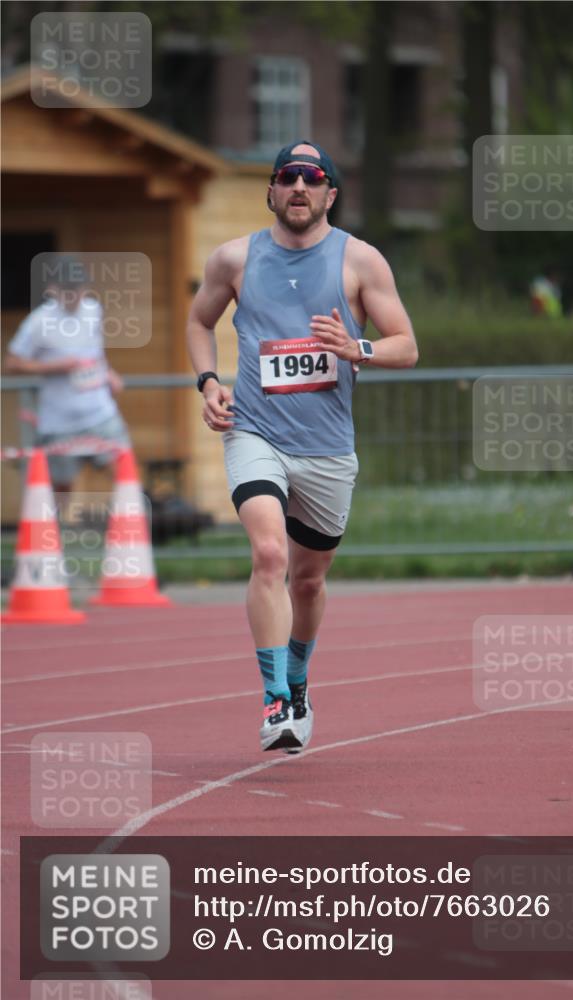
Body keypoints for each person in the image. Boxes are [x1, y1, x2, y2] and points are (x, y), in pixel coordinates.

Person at [186, 140, 418, 753]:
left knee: (308, 581)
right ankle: (275, 702)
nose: (298, 187)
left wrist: (357, 349)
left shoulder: (361, 262)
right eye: (287, 177)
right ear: (271, 190)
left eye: (312, 179)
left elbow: (406, 345)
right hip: (255, 431)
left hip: (327, 447)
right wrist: (208, 383)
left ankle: (298, 676)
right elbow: (197, 321)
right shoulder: (234, 259)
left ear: (330, 195)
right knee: (269, 554)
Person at [5, 256, 130, 495]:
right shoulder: (38, 322)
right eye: (68, 290)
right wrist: (54, 367)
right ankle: (55, 531)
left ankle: (132, 529)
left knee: (123, 473)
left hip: (100, 413)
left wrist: (109, 372)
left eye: (79, 288)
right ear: (53, 290)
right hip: (58, 421)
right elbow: (11, 363)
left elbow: (95, 352)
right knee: (60, 489)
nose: (75, 295)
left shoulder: (94, 310)